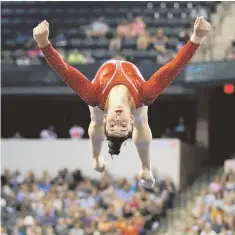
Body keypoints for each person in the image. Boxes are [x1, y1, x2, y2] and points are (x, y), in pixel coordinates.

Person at [33, 17, 211, 188]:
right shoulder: (145, 94)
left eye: (112, 124)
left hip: (101, 98)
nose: (118, 119)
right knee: (143, 120)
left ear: (107, 118)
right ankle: (142, 167)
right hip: (137, 100)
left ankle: (110, 160)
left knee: (95, 120)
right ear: (130, 120)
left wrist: (43, 43)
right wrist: (197, 37)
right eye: (123, 125)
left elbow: (65, 71)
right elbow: (174, 66)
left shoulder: (92, 94)